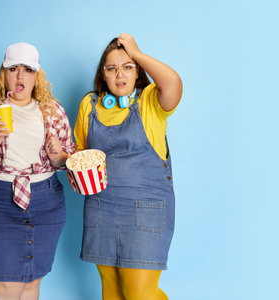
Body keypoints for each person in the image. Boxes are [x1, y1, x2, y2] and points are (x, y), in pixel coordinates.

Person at [0, 42, 75, 300]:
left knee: (31, 284)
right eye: (13, 69)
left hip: (46, 201)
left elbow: (67, 161)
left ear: (36, 75)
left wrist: (58, 157)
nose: (20, 77)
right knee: (5, 288)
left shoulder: (52, 111)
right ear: (3, 73)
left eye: (28, 70)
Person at [72, 33, 183, 300]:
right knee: (112, 291)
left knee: (139, 294)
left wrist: (137, 52)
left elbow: (173, 83)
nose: (119, 75)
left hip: (146, 211)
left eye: (128, 67)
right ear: (103, 74)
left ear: (137, 73)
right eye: (112, 68)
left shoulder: (149, 102)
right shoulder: (90, 105)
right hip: (102, 207)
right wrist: (61, 157)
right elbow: (79, 153)